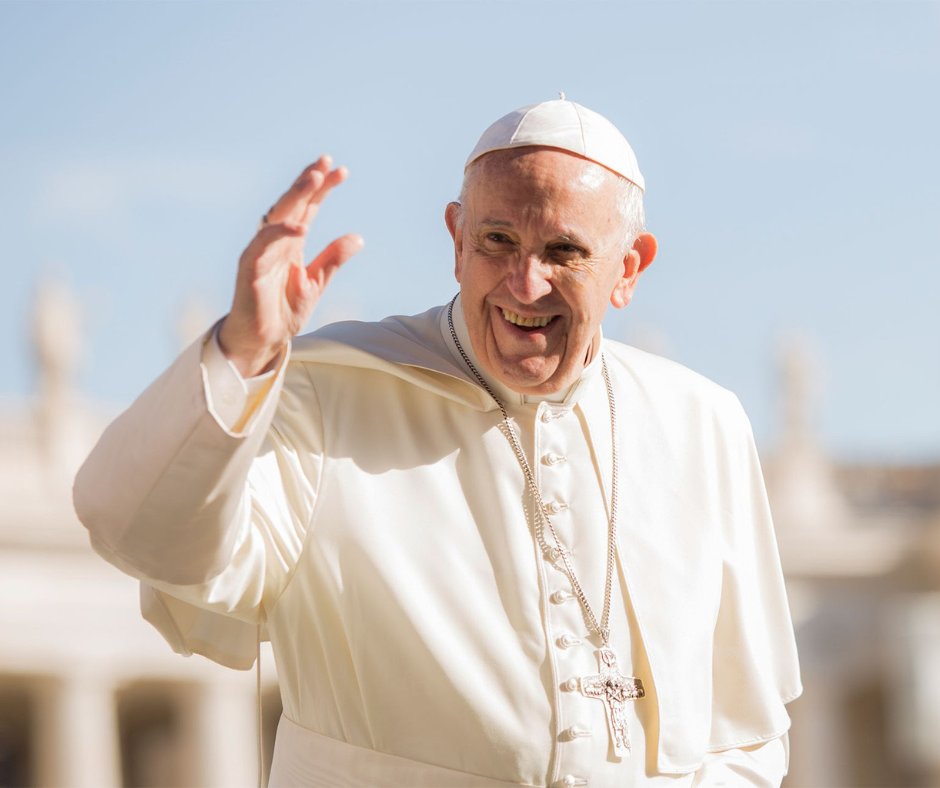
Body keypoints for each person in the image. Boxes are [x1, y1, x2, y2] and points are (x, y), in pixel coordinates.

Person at [74, 99, 802, 786]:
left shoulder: (703, 423)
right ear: (456, 239)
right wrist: (239, 355)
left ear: (629, 268)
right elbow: (139, 532)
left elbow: (745, 732)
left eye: (564, 251)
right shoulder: (322, 393)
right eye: (498, 241)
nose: (525, 282)